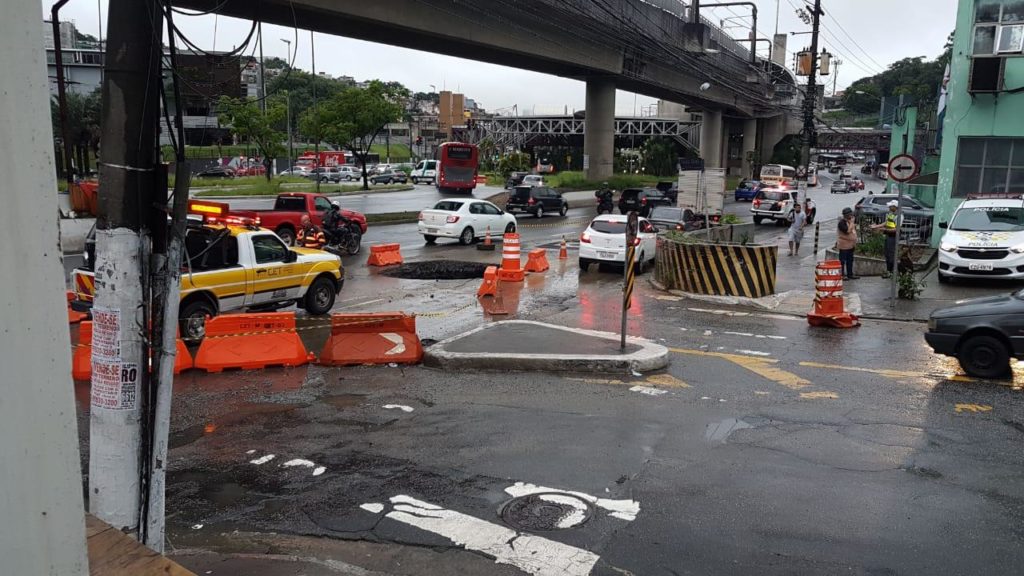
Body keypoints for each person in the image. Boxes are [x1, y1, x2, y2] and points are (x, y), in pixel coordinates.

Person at [871, 200, 899, 278]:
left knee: (891, 255)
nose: (889, 207)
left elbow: (897, 229)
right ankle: (888, 272)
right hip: (888, 236)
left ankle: (892, 273)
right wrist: (876, 226)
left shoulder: (899, 216)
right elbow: (886, 223)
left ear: (895, 207)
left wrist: (883, 230)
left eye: (890, 206)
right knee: (887, 254)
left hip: (893, 237)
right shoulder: (891, 214)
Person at [837, 207, 858, 280]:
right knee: (842, 261)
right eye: (849, 214)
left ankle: (850, 274)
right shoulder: (841, 223)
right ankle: (842, 275)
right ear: (845, 215)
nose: (851, 216)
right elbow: (848, 231)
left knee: (850, 260)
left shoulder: (850, 222)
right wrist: (852, 223)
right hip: (844, 245)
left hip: (851, 245)